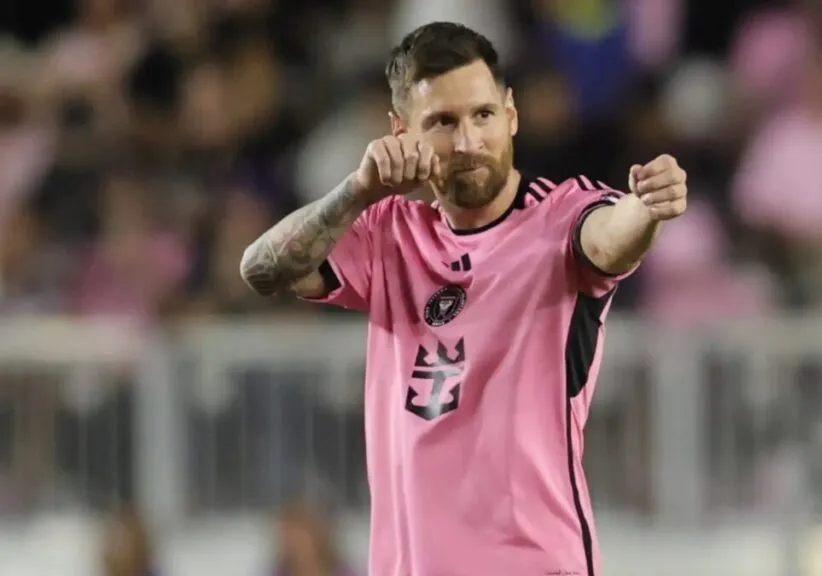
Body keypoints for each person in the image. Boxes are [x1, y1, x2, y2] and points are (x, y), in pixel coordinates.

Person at [239, 21, 688, 576]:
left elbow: (611, 239)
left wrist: (646, 208)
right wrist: (358, 189)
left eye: (483, 115)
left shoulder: (562, 216)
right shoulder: (389, 233)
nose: (470, 141)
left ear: (512, 113)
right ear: (402, 131)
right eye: (444, 123)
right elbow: (261, 268)